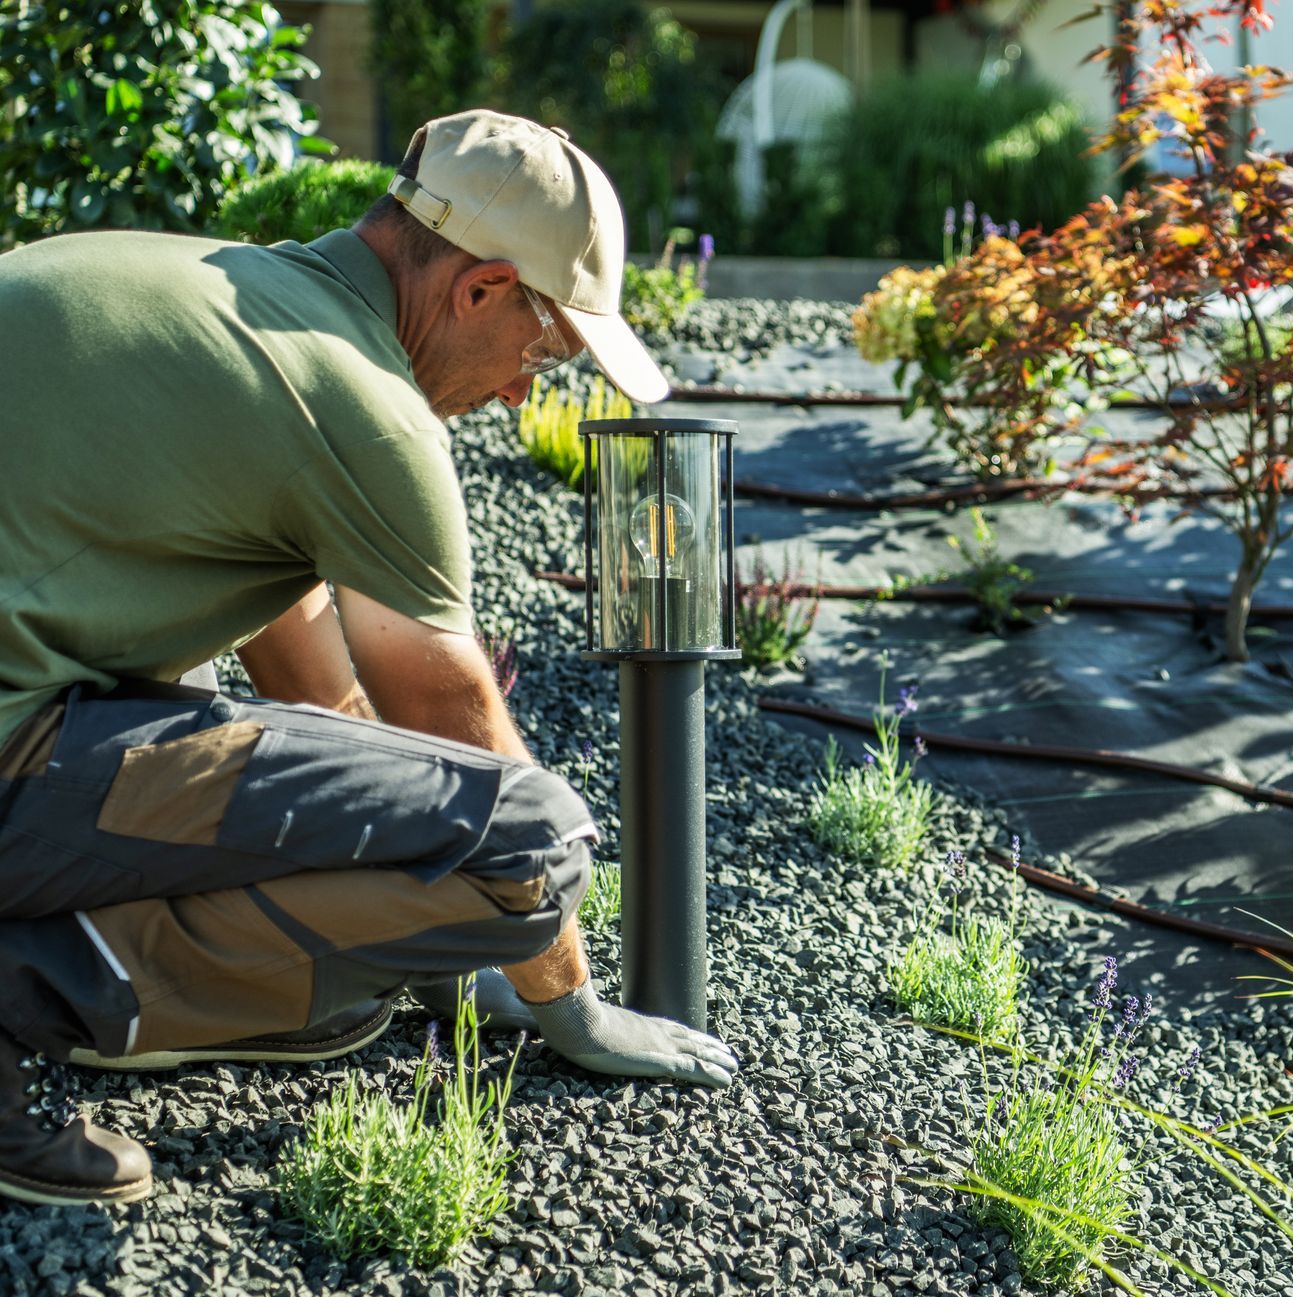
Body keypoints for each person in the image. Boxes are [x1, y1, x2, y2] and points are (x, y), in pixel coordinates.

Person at [0, 110, 739, 1209]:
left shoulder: (212, 294)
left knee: (211, 721)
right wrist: (564, 996)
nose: (518, 393)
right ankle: (31, 991)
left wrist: (416, 923)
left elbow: (302, 662)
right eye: (544, 350)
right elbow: (449, 724)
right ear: (481, 288)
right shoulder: (371, 409)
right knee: (537, 837)